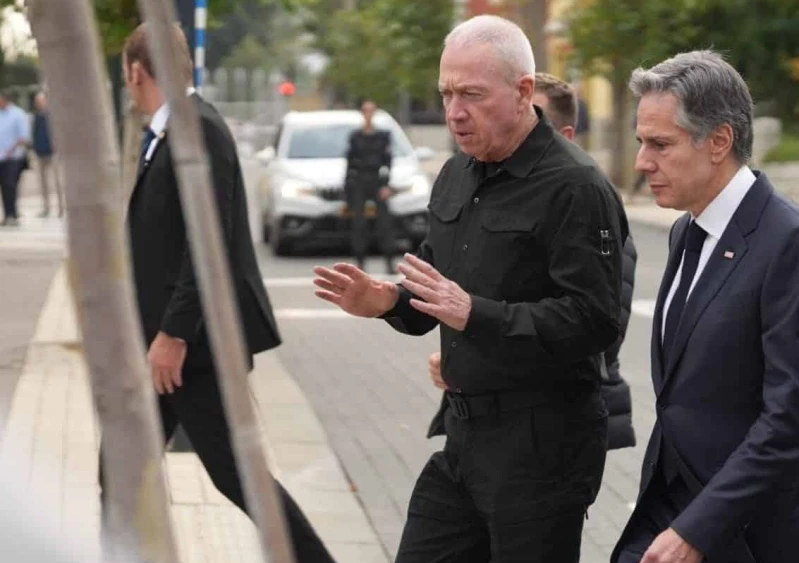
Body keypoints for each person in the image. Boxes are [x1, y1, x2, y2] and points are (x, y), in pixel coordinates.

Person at [313, 15, 624, 562]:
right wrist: (386, 300)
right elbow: (434, 293)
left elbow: (594, 320)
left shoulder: (575, 185)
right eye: (447, 93)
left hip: (542, 448)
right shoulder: (457, 173)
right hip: (462, 438)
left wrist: (476, 314)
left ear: (524, 91)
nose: (454, 111)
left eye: (472, 95)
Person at [611, 50, 799, 563]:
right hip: (679, 505)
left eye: (660, 144)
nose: (643, 162)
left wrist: (698, 528)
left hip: (761, 529)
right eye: (642, 142)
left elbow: (792, 416)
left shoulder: (790, 240)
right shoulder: (685, 230)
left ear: (719, 142)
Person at [115, 23, 336, 563]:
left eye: (127, 76)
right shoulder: (173, 130)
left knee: (240, 480)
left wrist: (172, 333)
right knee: (121, 473)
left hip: (192, 349)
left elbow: (205, 241)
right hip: (172, 346)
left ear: (137, 72)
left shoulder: (197, 129)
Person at [427, 71, 637, 451]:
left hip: (546, 429)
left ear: (564, 136)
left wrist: (478, 340)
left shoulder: (582, 195)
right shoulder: (476, 180)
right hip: (477, 420)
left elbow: (598, 328)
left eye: (535, 118)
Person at [346, 99, 396, 272]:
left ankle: (389, 261)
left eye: (371, 111)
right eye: (365, 110)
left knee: (384, 222)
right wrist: (348, 189)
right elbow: (349, 163)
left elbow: (388, 162)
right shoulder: (355, 136)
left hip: (377, 179)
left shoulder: (383, 136)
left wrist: (386, 185)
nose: (368, 114)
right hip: (360, 179)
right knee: (359, 223)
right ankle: (360, 262)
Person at [0, 91, 30, 226]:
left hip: (13, 158)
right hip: (0, 157)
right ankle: (7, 215)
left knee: (10, 186)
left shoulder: (17, 114)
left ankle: (13, 214)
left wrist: (10, 151)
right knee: (4, 187)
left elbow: (23, 137)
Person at [31, 92, 62, 218]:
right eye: (38, 102)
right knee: (43, 183)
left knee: (57, 182)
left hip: (53, 153)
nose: (39, 104)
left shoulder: (53, 116)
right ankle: (46, 207)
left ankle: (62, 208)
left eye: (41, 101)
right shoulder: (36, 116)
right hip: (41, 153)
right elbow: (35, 134)